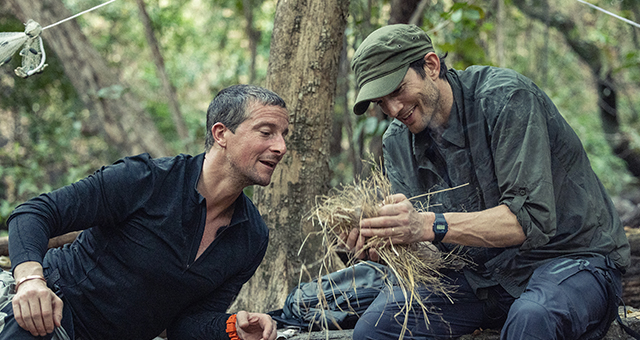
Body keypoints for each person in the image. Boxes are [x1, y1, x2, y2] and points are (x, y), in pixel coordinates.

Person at [345, 24, 630, 340]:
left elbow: (529, 221)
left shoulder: (506, 99)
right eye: (381, 102)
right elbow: (430, 251)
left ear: (431, 65)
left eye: (398, 91)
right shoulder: (397, 141)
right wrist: (387, 242)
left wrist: (427, 225)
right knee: (376, 329)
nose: (393, 109)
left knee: (533, 317)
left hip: (570, 260)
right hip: (481, 278)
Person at [1, 84, 289, 340]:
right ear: (221, 133)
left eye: (283, 135)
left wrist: (231, 329)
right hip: (48, 320)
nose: (281, 147)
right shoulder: (144, 180)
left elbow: (184, 326)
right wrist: (30, 281)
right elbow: (33, 213)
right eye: (266, 132)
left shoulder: (252, 237)